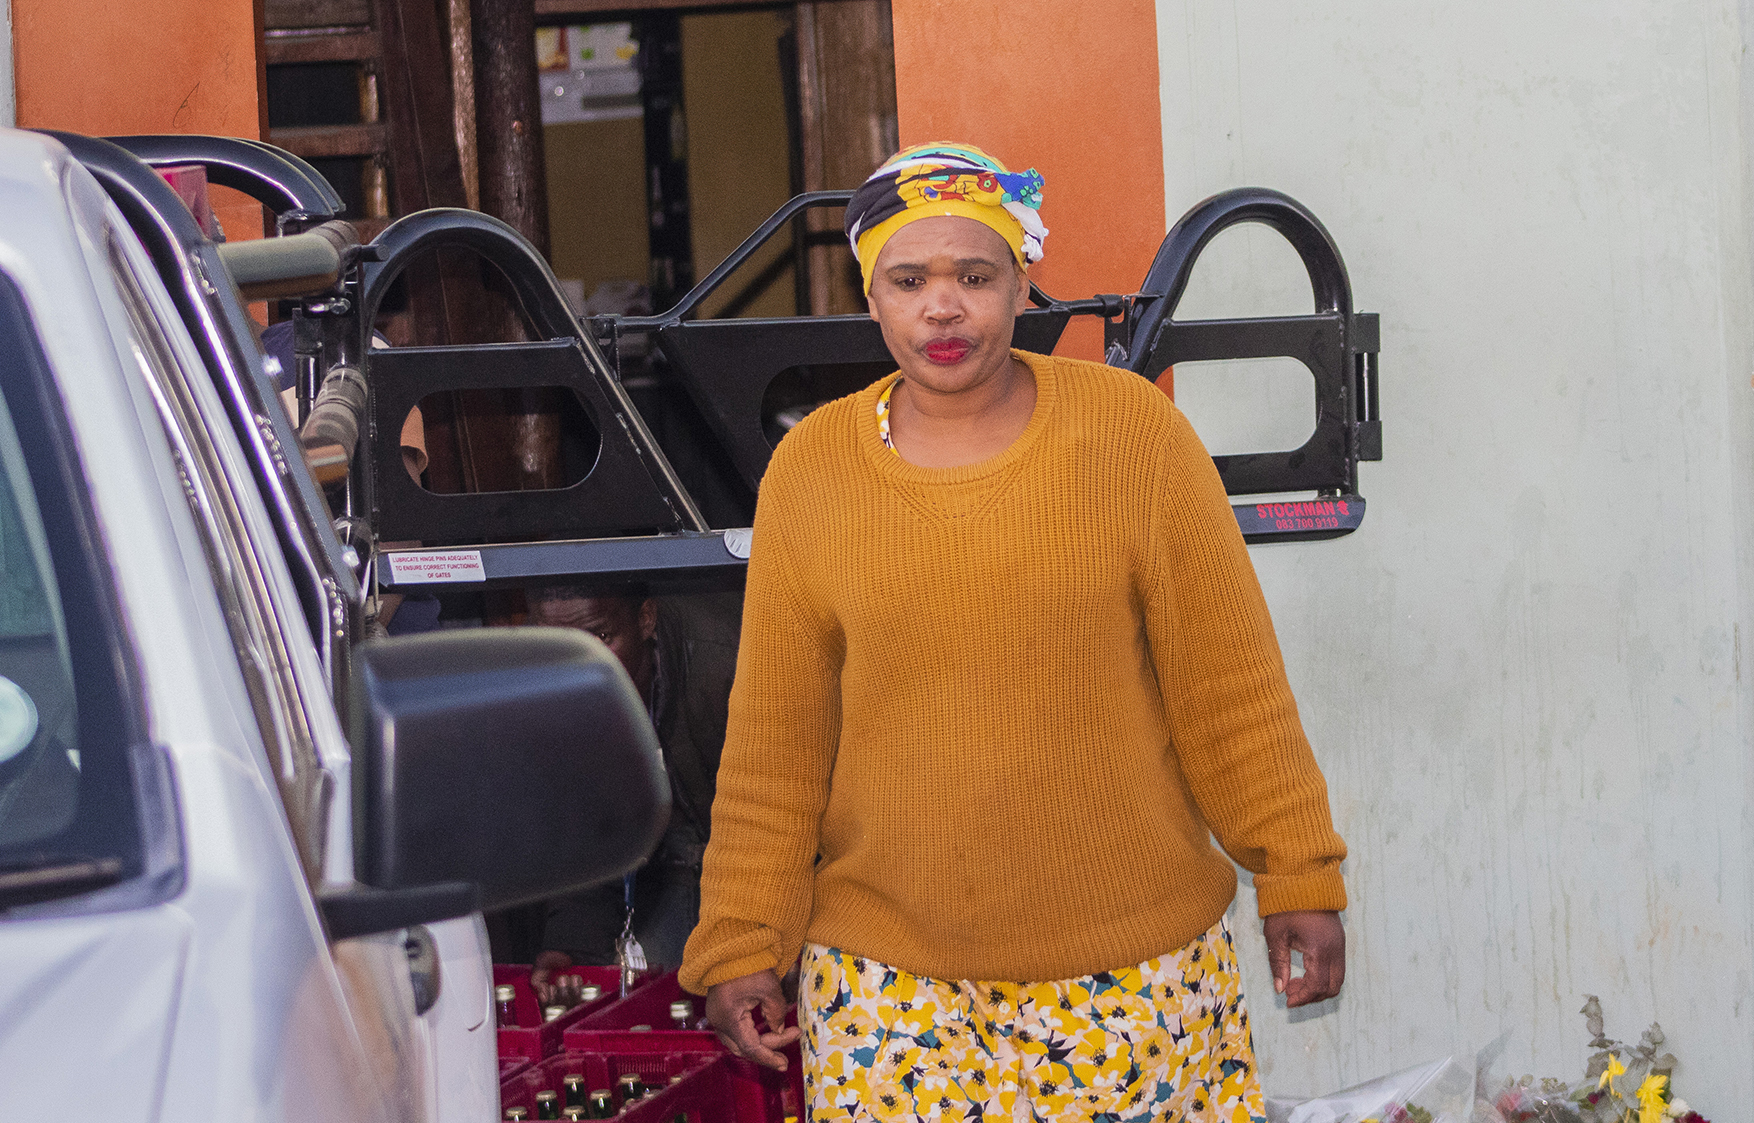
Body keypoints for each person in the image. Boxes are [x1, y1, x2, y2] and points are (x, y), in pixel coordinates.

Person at [678, 143, 1349, 1123]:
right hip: (889, 998)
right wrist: (741, 938)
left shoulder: (1131, 435)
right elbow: (777, 742)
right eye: (908, 279)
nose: (941, 308)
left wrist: (1295, 869)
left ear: (1020, 283)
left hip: (1138, 983)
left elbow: (1228, 682)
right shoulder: (811, 471)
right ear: (871, 295)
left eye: (974, 276)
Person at [524, 586, 740, 982]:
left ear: (646, 619)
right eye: (559, 642)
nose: (583, 661)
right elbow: (586, 825)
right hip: (662, 866)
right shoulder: (551, 688)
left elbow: (786, 812)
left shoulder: (726, 662)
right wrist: (572, 947)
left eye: (602, 637)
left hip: (757, 865)